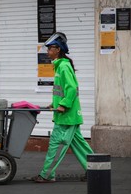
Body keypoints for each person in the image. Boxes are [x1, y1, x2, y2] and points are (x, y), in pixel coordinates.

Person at [33, 32, 93, 183]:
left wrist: (63, 106)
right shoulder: (60, 67)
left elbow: (72, 89)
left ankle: (47, 174)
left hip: (66, 116)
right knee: (79, 144)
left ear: (57, 49)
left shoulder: (63, 67)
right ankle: (96, 168)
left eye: (49, 49)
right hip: (69, 115)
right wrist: (54, 103)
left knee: (55, 144)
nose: (47, 52)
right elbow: (63, 91)